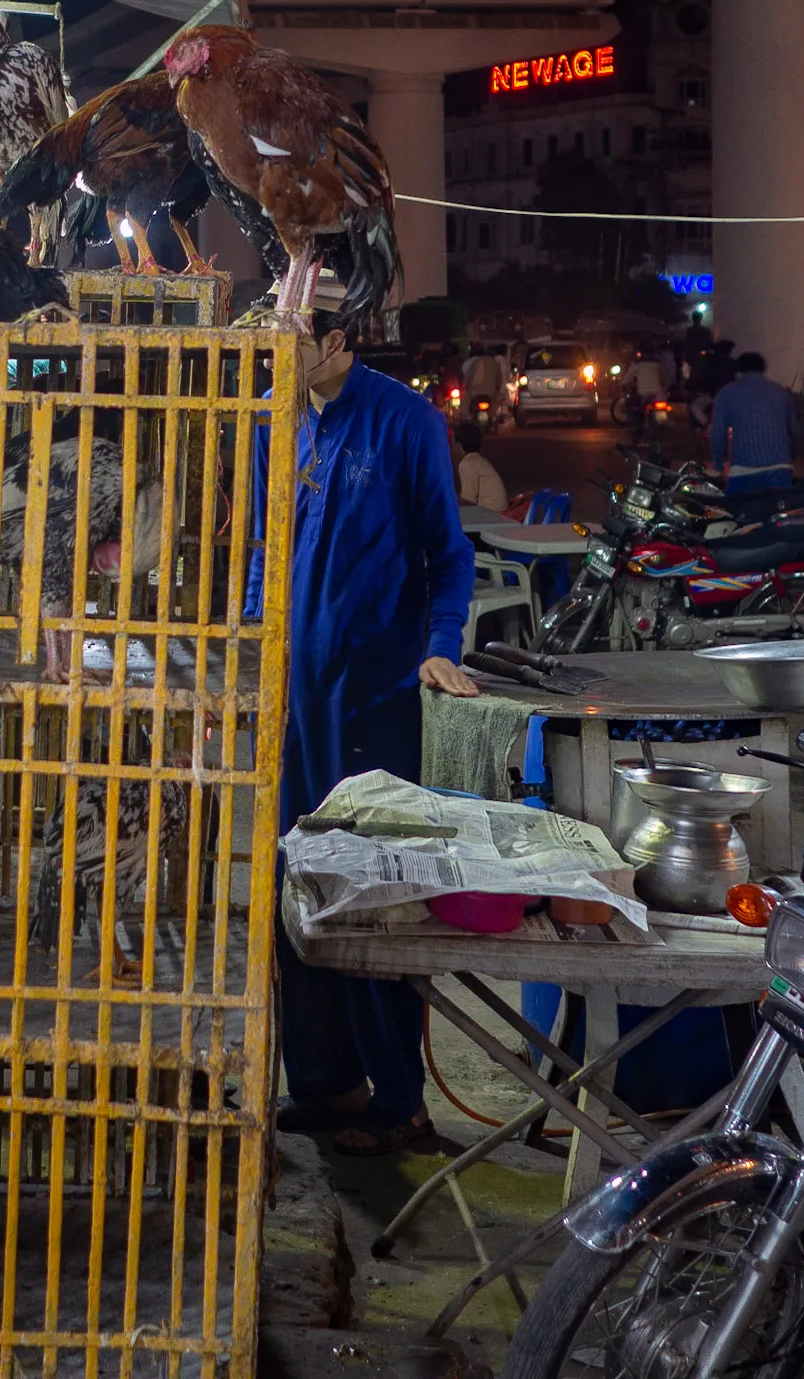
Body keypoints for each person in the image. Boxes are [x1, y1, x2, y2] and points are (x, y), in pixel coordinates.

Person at [246, 284, 479, 1154]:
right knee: (294, 891)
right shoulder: (282, 420)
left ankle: (400, 1101)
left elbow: (447, 555)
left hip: (376, 700)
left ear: (339, 338)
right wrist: (247, 636)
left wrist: (441, 643)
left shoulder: (405, 421)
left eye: (292, 337)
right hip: (296, 701)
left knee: (373, 892)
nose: (277, 353)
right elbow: (269, 548)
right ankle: (326, 1084)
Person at [709, 351, 800, 492]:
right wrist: (789, 456)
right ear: (763, 370)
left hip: (744, 469)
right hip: (780, 468)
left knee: (735, 511)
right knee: (778, 511)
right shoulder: (781, 393)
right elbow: (793, 431)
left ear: (738, 372)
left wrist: (718, 465)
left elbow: (717, 434)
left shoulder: (726, 393)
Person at [454, 421, 507, 510]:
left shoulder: (466, 464)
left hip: (491, 515)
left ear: (459, 446)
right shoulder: (479, 460)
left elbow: (468, 500)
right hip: (499, 511)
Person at [461, 342, 507, 422]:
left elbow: (467, 378)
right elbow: (500, 382)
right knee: (497, 398)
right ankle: (492, 417)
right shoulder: (496, 364)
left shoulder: (477, 362)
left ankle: (467, 417)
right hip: (490, 393)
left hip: (474, 393)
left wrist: (464, 387)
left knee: (464, 398)